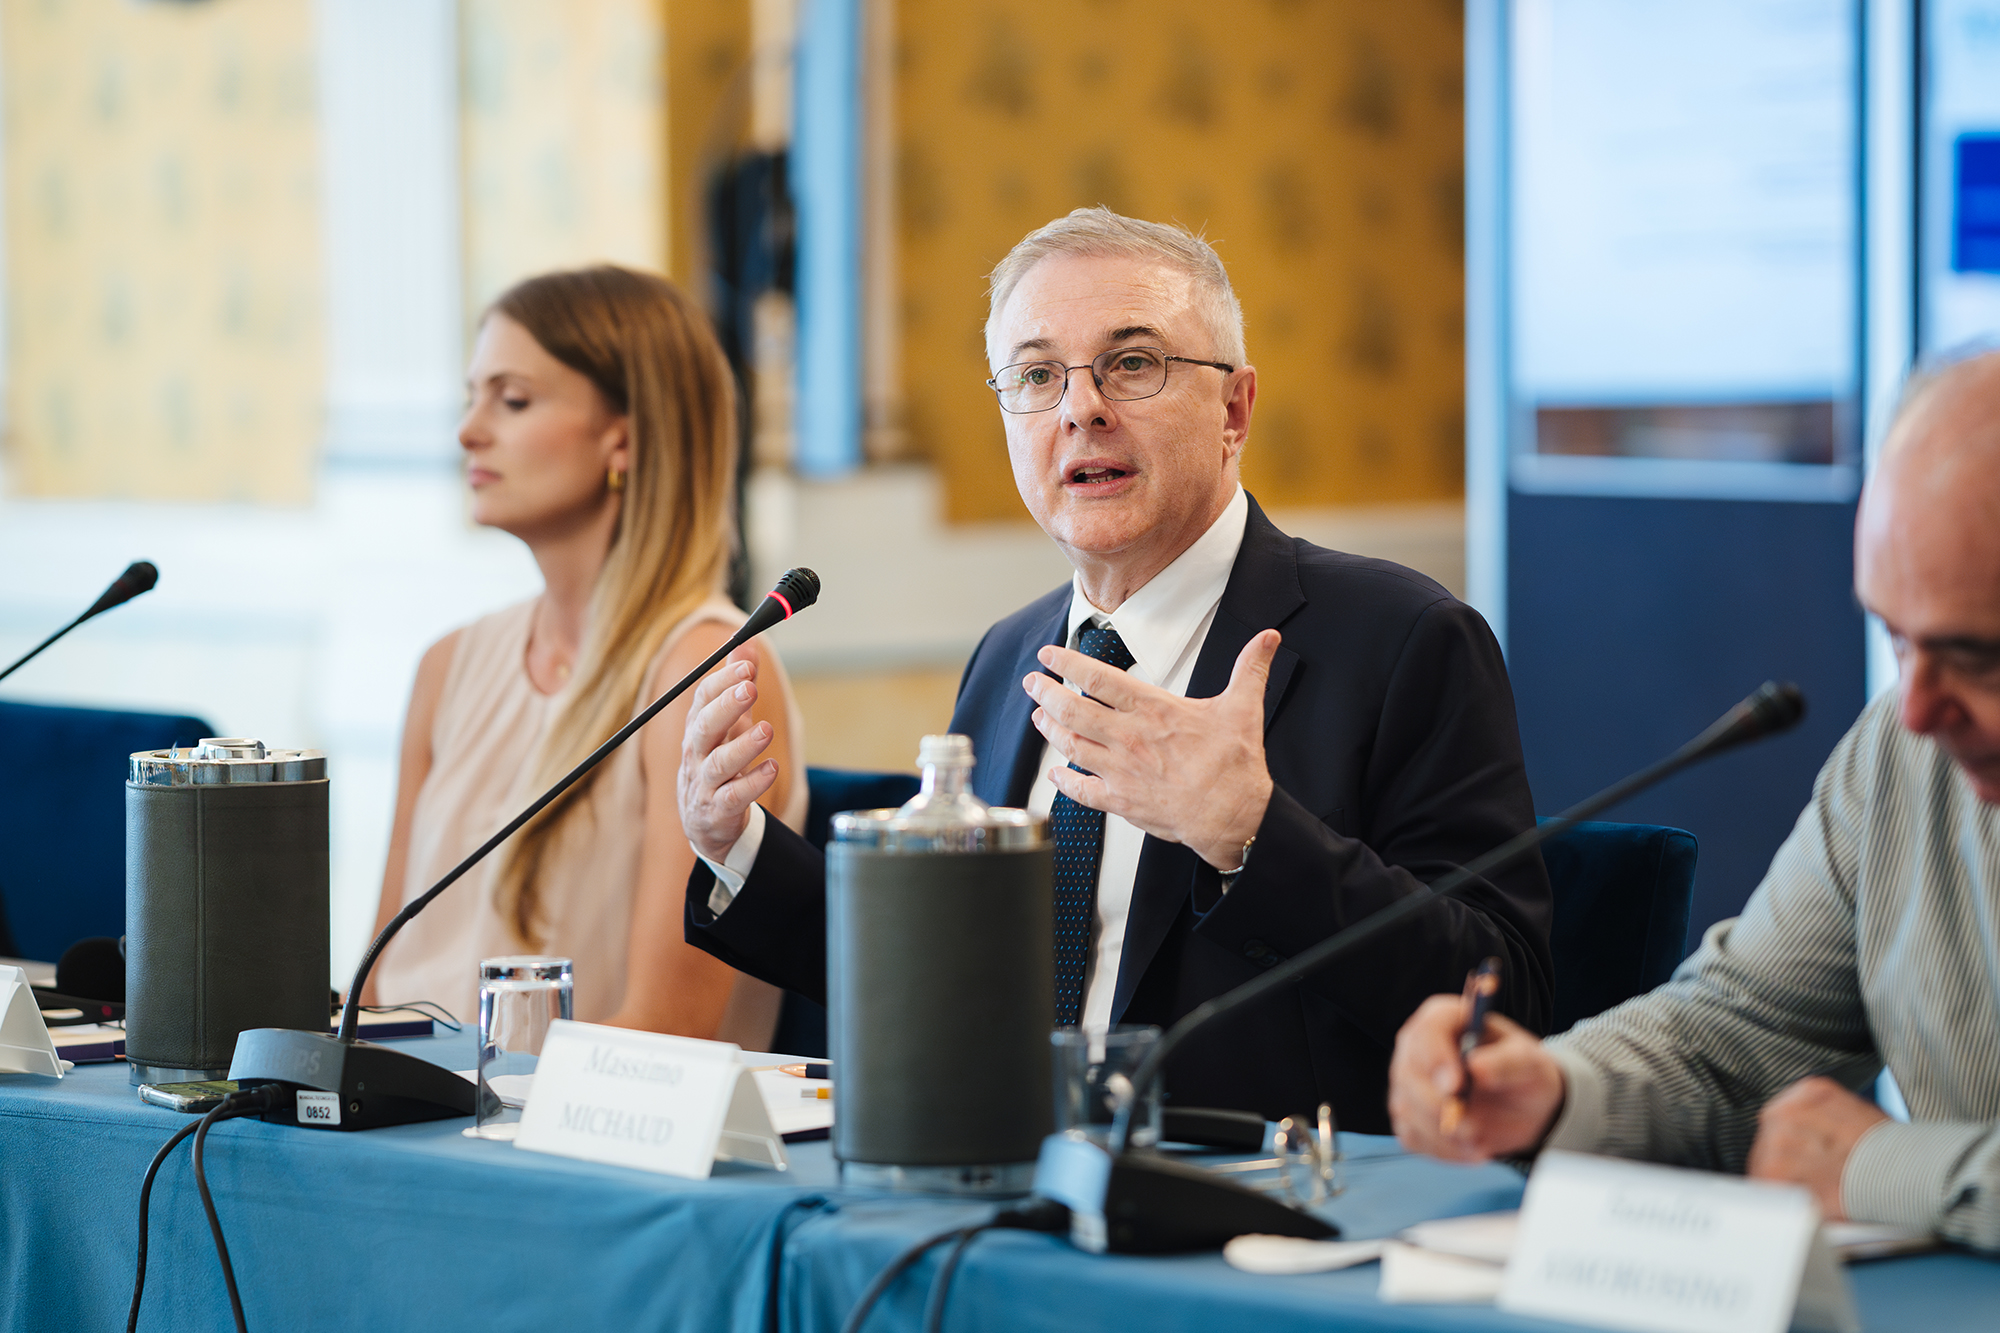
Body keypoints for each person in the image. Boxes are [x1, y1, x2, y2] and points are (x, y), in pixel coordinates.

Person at [677, 209, 1552, 1130]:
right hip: (1001, 1197)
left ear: (1234, 410)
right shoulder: (1010, 656)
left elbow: (1504, 1000)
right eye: (1038, 374)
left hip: (1259, 1221)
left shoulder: (1402, 638)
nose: (1080, 407)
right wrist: (737, 844)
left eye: (1132, 364)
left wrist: (1250, 831)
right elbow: (941, 977)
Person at [1386, 348, 2000, 1252]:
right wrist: (1552, 1092)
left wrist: (1879, 1167)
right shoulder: (1899, 759)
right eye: (1896, 638)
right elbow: (1739, 1038)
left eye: (1976, 654)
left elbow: (1851, 1155)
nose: (1916, 707)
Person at [364, 266, 806, 1043]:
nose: (469, 429)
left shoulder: (704, 670)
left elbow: (668, 1030)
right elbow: (371, 993)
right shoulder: (447, 666)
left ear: (624, 437)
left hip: (568, 1142)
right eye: (473, 396)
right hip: (399, 1120)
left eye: (513, 399)